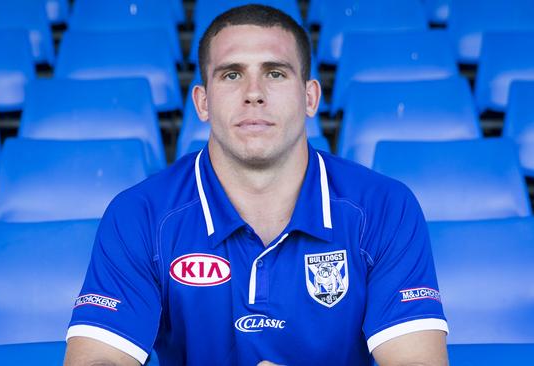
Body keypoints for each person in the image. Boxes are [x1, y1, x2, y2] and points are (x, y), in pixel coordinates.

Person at [64, 4, 448, 365]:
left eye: (275, 73)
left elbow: (417, 360)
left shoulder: (384, 207)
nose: (254, 93)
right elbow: (97, 358)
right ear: (202, 102)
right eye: (231, 74)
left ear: (310, 96)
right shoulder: (140, 213)